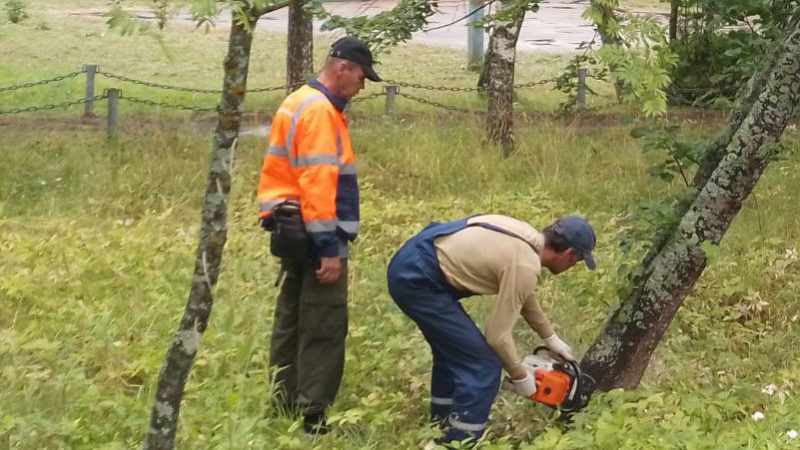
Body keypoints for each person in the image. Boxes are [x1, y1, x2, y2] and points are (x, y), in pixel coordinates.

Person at [256, 36, 381, 435]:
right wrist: (329, 248)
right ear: (342, 67)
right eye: (361, 77)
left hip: (287, 225)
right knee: (324, 322)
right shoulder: (321, 112)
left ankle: (282, 401)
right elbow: (319, 185)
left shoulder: (297, 100)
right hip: (315, 231)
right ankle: (312, 415)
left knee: (290, 318)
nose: (361, 87)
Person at [386, 214, 597, 447]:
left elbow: (523, 294)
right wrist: (520, 376)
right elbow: (497, 337)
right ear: (569, 254)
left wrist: (551, 338)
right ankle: (457, 442)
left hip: (414, 258)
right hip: (418, 279)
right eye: (576, 262)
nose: (571, 266)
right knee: (483, 364)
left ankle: (439, 424)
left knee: (454, 352)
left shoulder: (526, 238)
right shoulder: (525, 264)